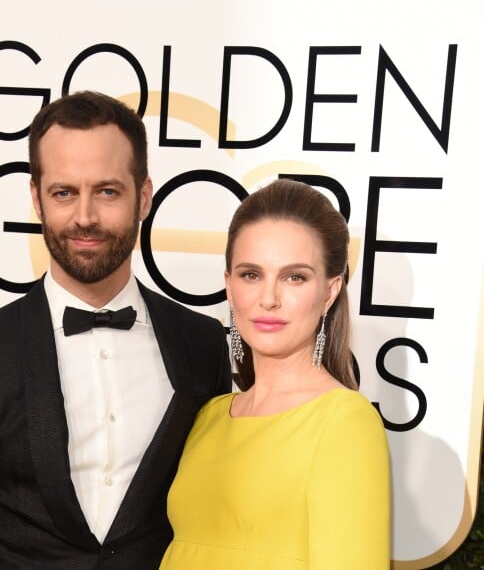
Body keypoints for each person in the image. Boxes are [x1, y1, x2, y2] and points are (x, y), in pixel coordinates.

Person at [0, 91, 232, 569]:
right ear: (37, 198)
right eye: (64, 192)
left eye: (107, 191)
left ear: (143, 197)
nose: (85, 217)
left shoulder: (202, 345)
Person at [160, 179, 391, 569]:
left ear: (330, 292)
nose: (269, 298)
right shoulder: (208, 416)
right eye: (251, 274)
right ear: (229, 287)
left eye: (294, 277)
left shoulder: (345, 423)